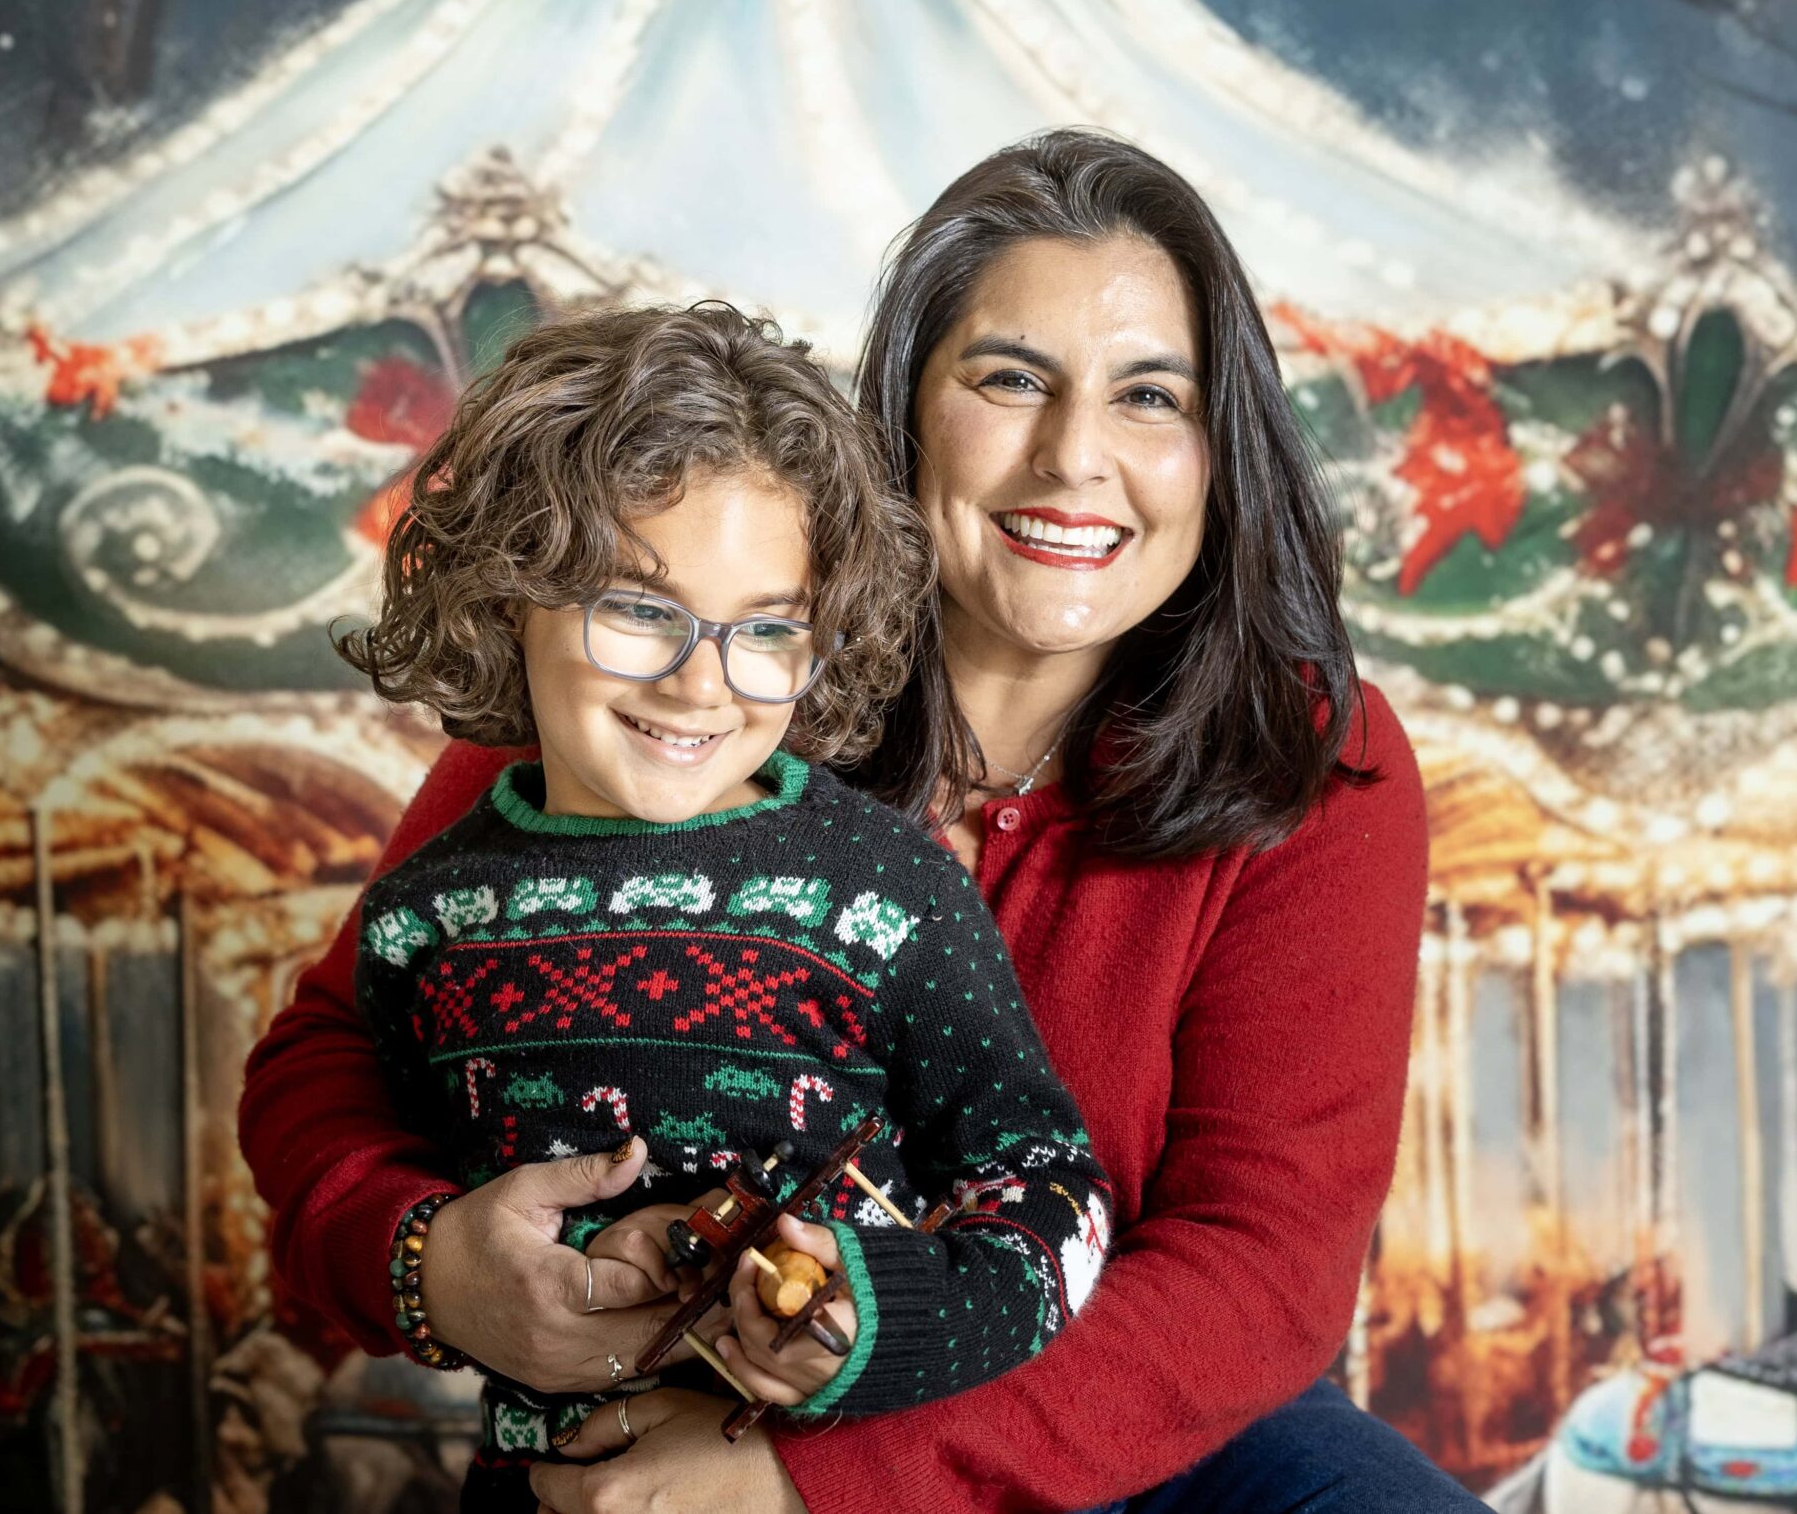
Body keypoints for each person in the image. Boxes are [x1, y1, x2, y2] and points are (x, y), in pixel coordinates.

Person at [242, 129, 1482, 1512]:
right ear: (904, 406)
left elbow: (1261, 1262)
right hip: (666, 1403)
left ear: (1220, 447)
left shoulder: (1314, 755)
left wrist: (816, 1482)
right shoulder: (666, 694)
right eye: (1010, 378)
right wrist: (431, 1261)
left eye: (1151, 395)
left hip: (1140, 1409)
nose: (1076, 456)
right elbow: (329, 1056)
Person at [321, 302, 1111, 1510]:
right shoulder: (420, 926)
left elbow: (1051, 1194)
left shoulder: (882, 897)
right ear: (507, 586)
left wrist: (867, 1319)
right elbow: (430, 1216)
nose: (702, 682)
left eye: (766, 630)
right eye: (638, 608)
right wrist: (493, 1265)